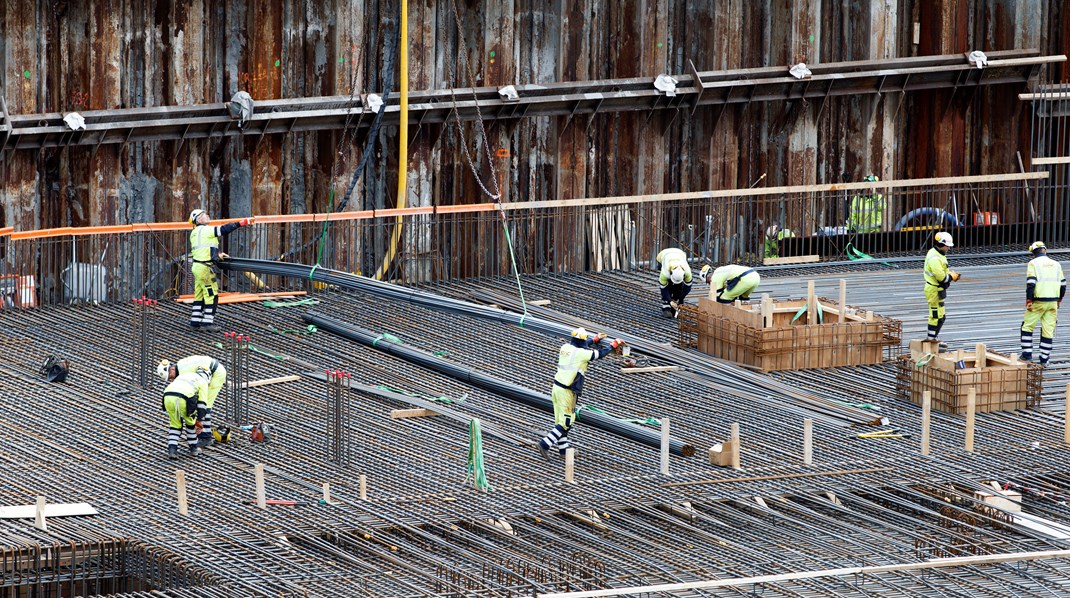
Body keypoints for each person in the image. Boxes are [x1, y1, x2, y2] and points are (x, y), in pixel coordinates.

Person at [537, 328, 623, 461]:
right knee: (566, 423)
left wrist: (594, 340)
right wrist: (613, 345)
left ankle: (564, 450)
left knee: (560, 422)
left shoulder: (565, 347)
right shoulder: (581, 353)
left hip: (556, 388)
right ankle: (545, 444)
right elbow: (599, 354)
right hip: (567, 392)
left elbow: (580, 347)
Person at [188, 209, 253, 332]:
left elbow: (204, 248)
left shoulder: (195, 232)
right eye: (204, 215)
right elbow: (223, 230)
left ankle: (195, 322)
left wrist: (217, 253)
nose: (207, 216)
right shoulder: (206, 230)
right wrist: (241, 223)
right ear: (199, 219)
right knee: (211, 295)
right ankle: (207, 323)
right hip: (205, 268)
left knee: (199, 295)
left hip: (197, 267)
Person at [158, 356, 227, 447]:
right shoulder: (180, 366)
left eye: (171, 377)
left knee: (205, 404)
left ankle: (206, 437)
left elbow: (198, 387)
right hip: (210, 371)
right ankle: (202, 433)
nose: (172, 380)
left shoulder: (184, 373)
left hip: (216, 374)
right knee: (201, 403)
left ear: (172, 369)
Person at [1020, 241, 1066, 366]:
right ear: (1045, 250)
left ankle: (1027, 355)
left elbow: (1031, 283)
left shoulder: (1033, 263)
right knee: (1048, 330)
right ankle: (1044, 359)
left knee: (1027, 326)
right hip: (1053, 302)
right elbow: (1063, 284)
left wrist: (1029, 300)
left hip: (1038, 301)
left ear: (1033, 253)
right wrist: (1059, 299)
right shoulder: (1056, 264)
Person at [159, 366, 211, 459]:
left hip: (167, 396)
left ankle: (172, 449)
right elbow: (202, 404)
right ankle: (194, 448)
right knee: (190, 423)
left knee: (175, 424)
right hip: (184, 398)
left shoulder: (185, 375)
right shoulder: (203, 382)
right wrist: (199, 420)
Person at [923, 231, 960, 349]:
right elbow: (941, 278)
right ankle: (931, 341)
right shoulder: (935, 258)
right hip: (934, 291)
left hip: (938, 290)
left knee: (941, 316)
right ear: (941, 244)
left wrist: (949, 274)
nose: (949, 248)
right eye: (948, 246)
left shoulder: (937, 254)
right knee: (935, 316)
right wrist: (951, 277)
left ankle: (934, 338)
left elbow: (942, 273)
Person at [655, 248, 692, 317]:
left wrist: (680, 298)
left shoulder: (687, 272)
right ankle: (666, 307)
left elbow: (687, 287)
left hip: (680, 254)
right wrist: (670, 300)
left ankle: (676, 304)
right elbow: (663, 288)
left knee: (679, 286)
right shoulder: (665, 273)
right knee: (668, 285)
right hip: (663, 255)